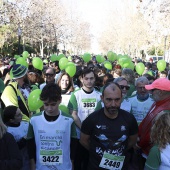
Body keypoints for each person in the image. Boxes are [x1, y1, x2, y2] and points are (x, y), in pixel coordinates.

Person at [80, 82, 138, 170]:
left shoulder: (129, 119)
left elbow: (132, 141)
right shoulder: (92, 119)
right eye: (109, 100)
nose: (113, 104)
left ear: (121, 99)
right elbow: (83, 140)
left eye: (117, 100)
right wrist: (97, 152)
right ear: (102, 99)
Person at [27, 83, 77, 170]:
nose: (49, 108)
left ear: (60, 100)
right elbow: (30, 143)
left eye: (53, 104)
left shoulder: (69, 120)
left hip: (64, 167)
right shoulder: (34, 120)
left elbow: (74, 144)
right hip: (41, 167)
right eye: (46, 104)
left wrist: (72, 164)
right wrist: (32, 164)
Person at [68, 68, 101, 170]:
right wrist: (84, 129)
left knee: (90, 163)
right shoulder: (75, 94)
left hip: (94, 136)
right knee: (77, 162)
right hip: (78, 136)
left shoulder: (99, 95)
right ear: (81, 79)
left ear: (95, 79)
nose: (89, 81)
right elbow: (73, 115)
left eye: (91, 78)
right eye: (86, 78)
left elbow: (99, 115)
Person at [137, 78, 170, 169]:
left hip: (152, 154)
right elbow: (146, 120)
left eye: (153, 90)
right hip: (146, 150)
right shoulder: (157, 103)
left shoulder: (167, 109)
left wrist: (139, 144)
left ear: (161, 92)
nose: (150, 92)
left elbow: (156, 132)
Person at [3, 105, 29, 170]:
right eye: (18, 115)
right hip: (19, 161)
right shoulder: (7, 131)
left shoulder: (26, 124)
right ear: (11, 120)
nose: (22, 115)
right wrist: (24, 139)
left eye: (21, 113)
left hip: (29, 157)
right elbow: (12, 149)